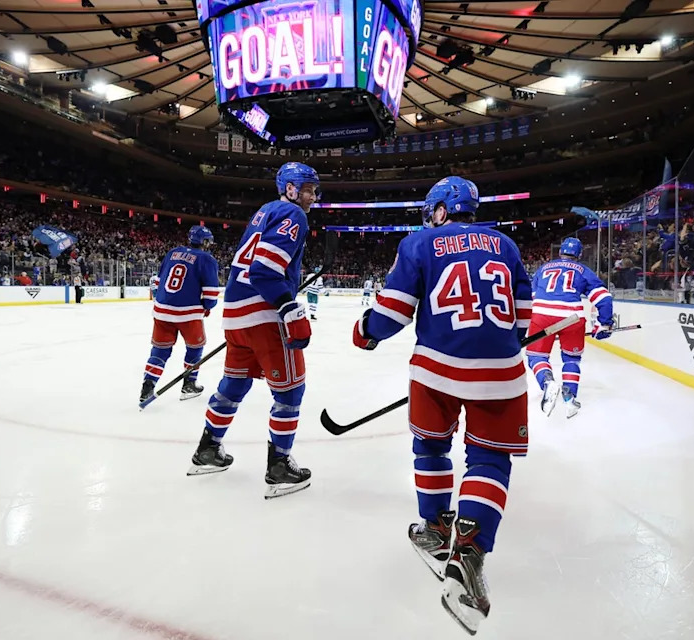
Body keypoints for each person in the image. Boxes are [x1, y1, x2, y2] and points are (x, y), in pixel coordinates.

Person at [350, 176, 533, 634]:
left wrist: (365, 331)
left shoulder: (419, 242)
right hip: (500, 373)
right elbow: (525, 314)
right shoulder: (506, 245)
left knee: (431, 447)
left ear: (439, 210)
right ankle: (469, 555)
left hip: (436, 370)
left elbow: (392, 313)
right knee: (490, 459)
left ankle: (434, 528)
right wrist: (509, 340)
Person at [186, 162, 319, 500]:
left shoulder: (264, 211)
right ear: (290, 188)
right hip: (263, 314)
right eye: (308, 189)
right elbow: (264, 270)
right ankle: (278, 466)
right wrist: (289, 308)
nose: (313, 197)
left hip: (235, 313)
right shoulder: (294, 215)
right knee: (290, 392)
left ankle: (207, 448)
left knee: (234, 384)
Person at [527, 238, 613, 418]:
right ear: (579, 255)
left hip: (542, 314)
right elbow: (604, 298)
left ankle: (547, 382)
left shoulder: (542, 269)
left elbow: (533, 297)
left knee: (536, 356)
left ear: (560, 252)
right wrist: (603, 324)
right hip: (572, 317)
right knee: (571, 359)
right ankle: (570, 399)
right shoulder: (584, 271)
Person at [139, 226, 221, 404]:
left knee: (160, 350)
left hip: (162, 310)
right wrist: (206, 307)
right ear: (204, 242)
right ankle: (189, 384)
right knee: (195, 348)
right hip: (188, 313)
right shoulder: (207, 259)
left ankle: (147, 385)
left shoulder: (173, 252)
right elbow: (211, 294)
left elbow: (159, 281)